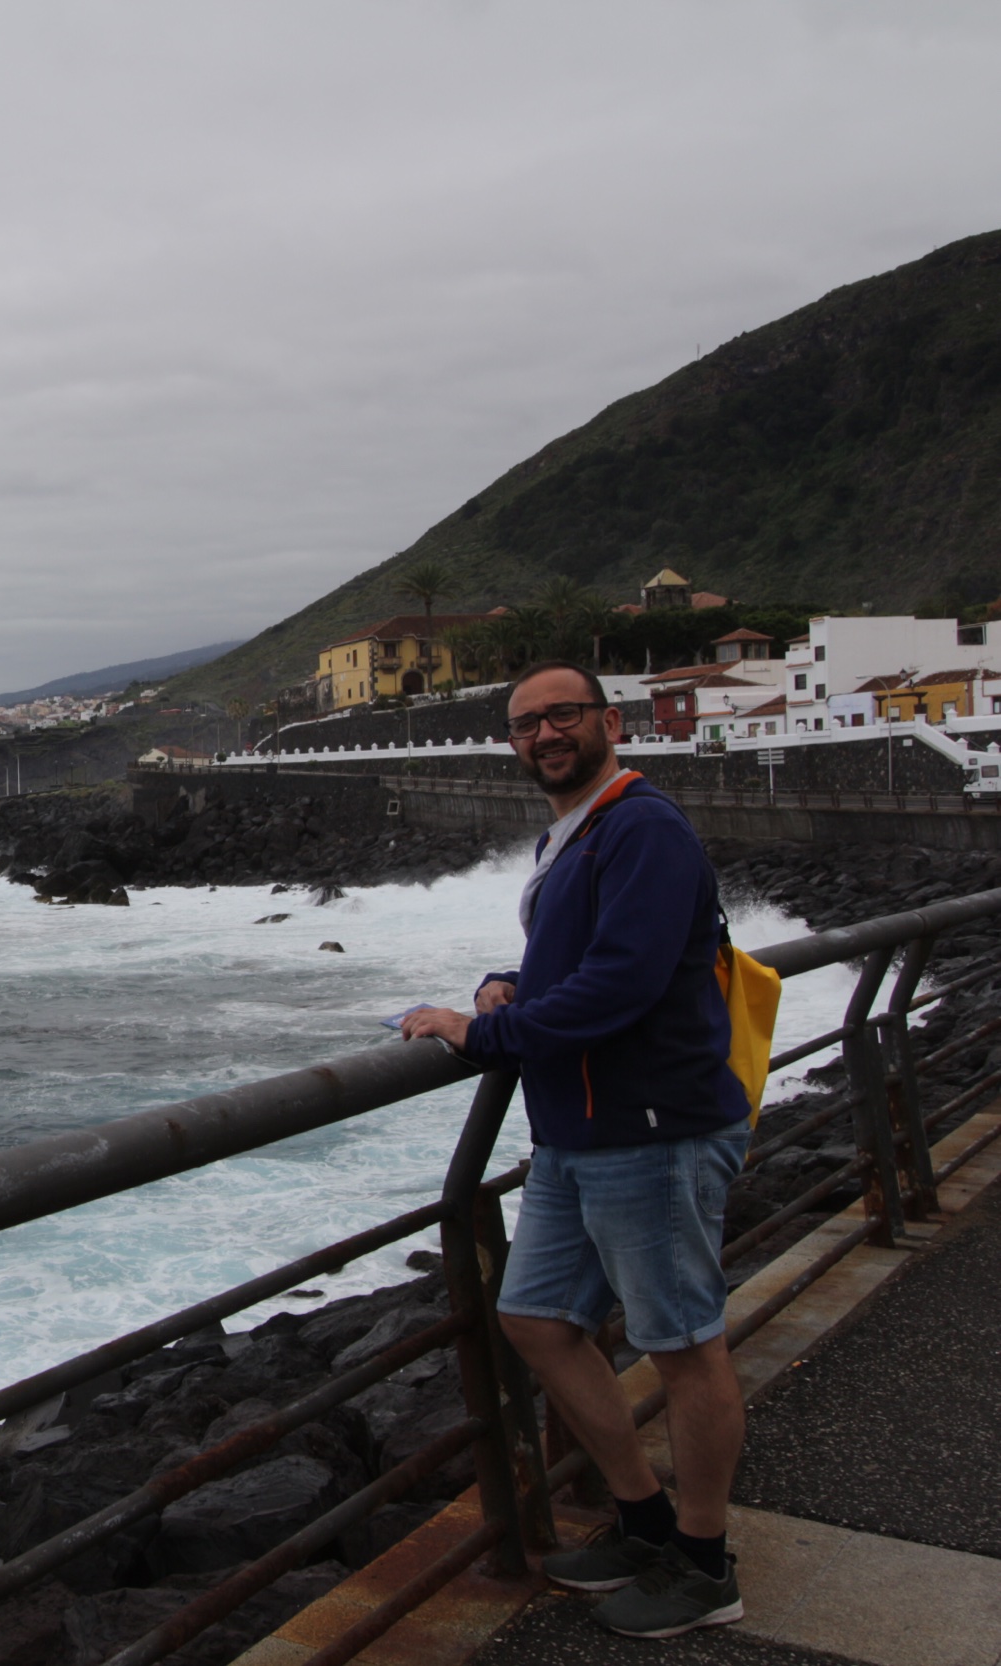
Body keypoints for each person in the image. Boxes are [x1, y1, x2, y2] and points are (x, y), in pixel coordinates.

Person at [400, 662, 750, 1639]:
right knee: (537, 1319)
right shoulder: (582, 829)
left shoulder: (642, 826)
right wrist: (509, 982)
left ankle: (701, 1558)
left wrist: (479, 1033)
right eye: (525, 724)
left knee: (682, 1344)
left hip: (652, 1131)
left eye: (562, 715)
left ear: (607, 722)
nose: (544, 733)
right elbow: (586, 962)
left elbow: (623, 984)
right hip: (576, 1133)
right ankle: (639, 1517)